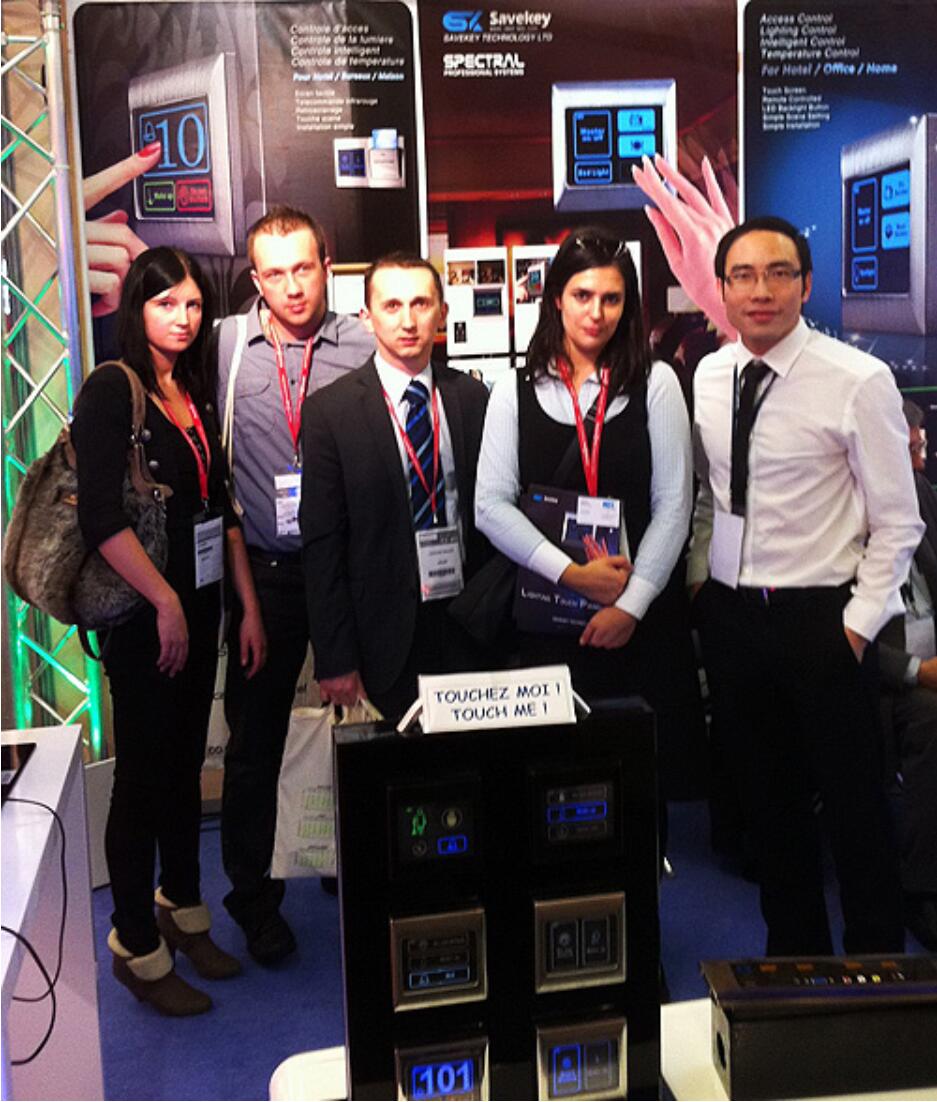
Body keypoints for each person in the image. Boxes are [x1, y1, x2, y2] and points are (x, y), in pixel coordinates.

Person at [688, 215, 924, 956]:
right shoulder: (709, 375)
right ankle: (795, 965)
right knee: (770, 812)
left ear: (805, 284)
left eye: (778, 273)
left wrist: (854, 627)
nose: (760, 290)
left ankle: (878, 971)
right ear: (722, 289)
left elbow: (898, 523)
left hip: (823, 619)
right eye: (743, 275)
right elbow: (712, 496)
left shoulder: (857, 380)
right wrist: (705, 590)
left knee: (854, 811)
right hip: (735, 620)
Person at [71, 247, 265, 1015]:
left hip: (198, 606)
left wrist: (245, 606)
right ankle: (134, 944)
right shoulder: (111, 390)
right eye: (164, 304)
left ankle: (181, 908)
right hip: (143, 619)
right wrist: (164, 602)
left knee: (184, 771)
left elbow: (221, 509)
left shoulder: (190, 389)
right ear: (137, 309)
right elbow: (100, 518)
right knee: (142, 781)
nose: (182, 318)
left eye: (191, 305)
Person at [215, 206, 374, 965]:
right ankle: (253, 901)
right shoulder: (226, 349)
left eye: (304, 267)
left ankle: (358, 864)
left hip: (349, 569)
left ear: (327, 265)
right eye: (274, 273)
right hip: (269, 577)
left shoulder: (366, 344)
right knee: (256, 745)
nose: (292, 286)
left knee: (366, 727)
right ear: (255, 279)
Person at [475, 227, 699, 723]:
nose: (596, 313)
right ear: (557, 298)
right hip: (548, 615)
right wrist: (573, 575)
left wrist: (630, 606)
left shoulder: (656, 382)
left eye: (611, 299)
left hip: (643, 616)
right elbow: (489, 506)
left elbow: (674, 505)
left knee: (652, 759)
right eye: (582, 295)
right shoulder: (514, 389)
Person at [301, 253, 490, 720]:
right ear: (366, 317)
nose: (408, 321)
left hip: (469, 624)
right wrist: (335, 657)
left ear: (442, 313)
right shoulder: (330, 412)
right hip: (382, 634)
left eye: (421, 304)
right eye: (391, 306)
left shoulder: (473, 398)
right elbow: (323, 545)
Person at [878, 399, 937, 950]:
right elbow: (834, 633)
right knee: (930, 719)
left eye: (923, 449)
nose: (920, 461)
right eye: (912, 450)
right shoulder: (842, 508)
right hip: (884, 678)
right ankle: (922, 890)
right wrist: (917, 671)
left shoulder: (920, 494)